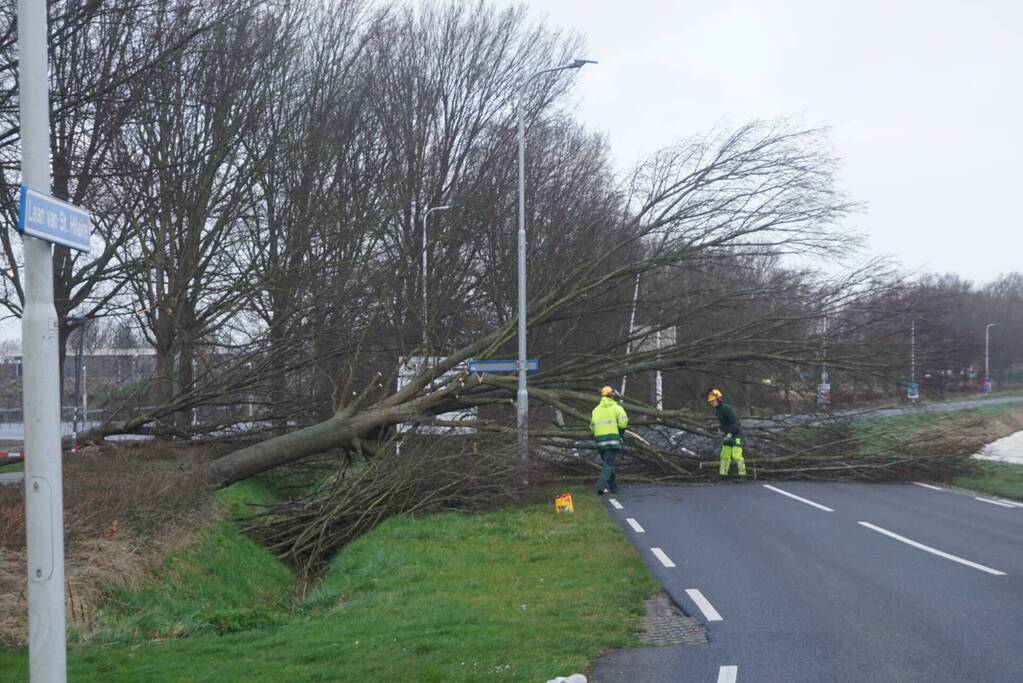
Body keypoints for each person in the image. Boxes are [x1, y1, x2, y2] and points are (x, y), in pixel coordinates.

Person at [590, 385, 629, 495]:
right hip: (612, 440)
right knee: (608, 464)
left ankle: (614, 487)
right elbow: (624, 422)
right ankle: (600, 486)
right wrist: (621, 434)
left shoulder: (595, 410)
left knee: (608, 463)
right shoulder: (617, 408)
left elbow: (592, 427)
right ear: (612, 396)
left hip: (600, 441)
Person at [706, 388, 746, 480]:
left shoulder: (727, 409)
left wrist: (730, 434)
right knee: (724, 455)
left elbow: (735, 424)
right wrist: (722, 431)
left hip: (736, 435)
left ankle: (742, 475)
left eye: (713, 401)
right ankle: (723, 475)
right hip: (727, 435)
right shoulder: (718, 411)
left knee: (737, 456)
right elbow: (724, 424)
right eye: (710, 401)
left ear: (718, 399)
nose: (711, 403)